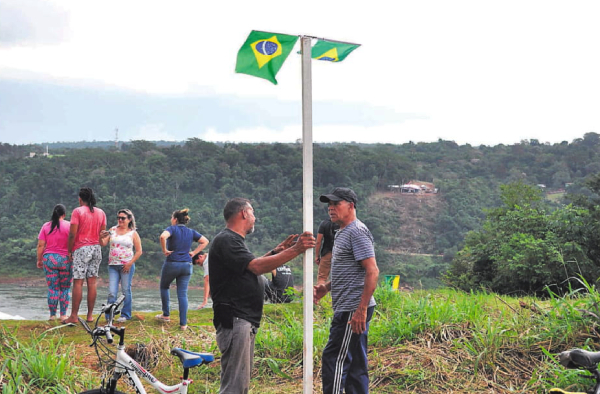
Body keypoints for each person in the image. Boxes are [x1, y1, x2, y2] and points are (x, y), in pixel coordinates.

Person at [209, 197, 316, 394]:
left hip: (242, 320)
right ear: (243, 213)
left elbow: (247, 268)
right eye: (253, 213)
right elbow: (256, 267)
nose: (254, 218)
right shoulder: (227, 240)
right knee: (235, 386)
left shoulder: (233, 241)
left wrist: (276, 252)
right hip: (235, 319)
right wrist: (297, 249)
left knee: (240, 385)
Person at [314, 187, 380, 394]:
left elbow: (372, 271)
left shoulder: (356, 231)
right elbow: (351, 271)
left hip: (353, 307)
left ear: (350, 206)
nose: (331, 209)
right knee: (356, 363)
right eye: (329, 205)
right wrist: (327, 286)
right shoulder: (341, 232)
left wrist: (360, 310)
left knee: (334, 358)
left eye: (336, 204)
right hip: (350, 306)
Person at [156, 208, 209, 330]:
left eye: (171, 218)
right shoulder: (191, 232)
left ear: (174, 219)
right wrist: (194, 252)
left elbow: (162, 237)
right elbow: (205, 241)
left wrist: (165, 250)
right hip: (186, 264)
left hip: (172, 263)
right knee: (182, 293)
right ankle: (183, 324)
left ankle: (166, 315)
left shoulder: (172, 229)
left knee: (164, 286)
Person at [63, 187, 107, 324]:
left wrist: (70, 251)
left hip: (82, 248)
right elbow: (102, 233)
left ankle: (74, 316)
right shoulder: (101, 213)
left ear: (80, 199)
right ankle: (89, 316)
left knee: (78, 282)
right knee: (92, 282)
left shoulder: (78, 211)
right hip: (96, 249)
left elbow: (72, 234)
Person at [100, 209, 142, 323]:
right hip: (113, 265)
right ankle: (109, 316)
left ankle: (126, 314)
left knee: (125, 290)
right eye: (118, 217)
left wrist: (130, 263)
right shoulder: (112, 230)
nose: (120, 220)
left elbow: (139, 251)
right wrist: (100, 236)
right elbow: (103, 243)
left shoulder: (133, 233)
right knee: (112, 292)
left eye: (123, 218)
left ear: (129, 219)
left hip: (126, 266)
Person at [37, 204, 72, 321]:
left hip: (49, 259)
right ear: (64, 214)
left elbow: (41, 245)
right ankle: (63, 315)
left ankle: (52, 315)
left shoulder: (46, 226)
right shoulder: (69, 226)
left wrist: (39, 259)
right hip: (65, 260)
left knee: (53, 288)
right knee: (65, 288)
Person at [315, 216, 340, 285]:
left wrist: (317, 256)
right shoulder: (343, 223)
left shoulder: (324, 223)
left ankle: (319, 293)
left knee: (322, 277)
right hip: (341, 253)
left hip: (327, 252)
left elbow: (318, 242)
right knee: (340, 277)